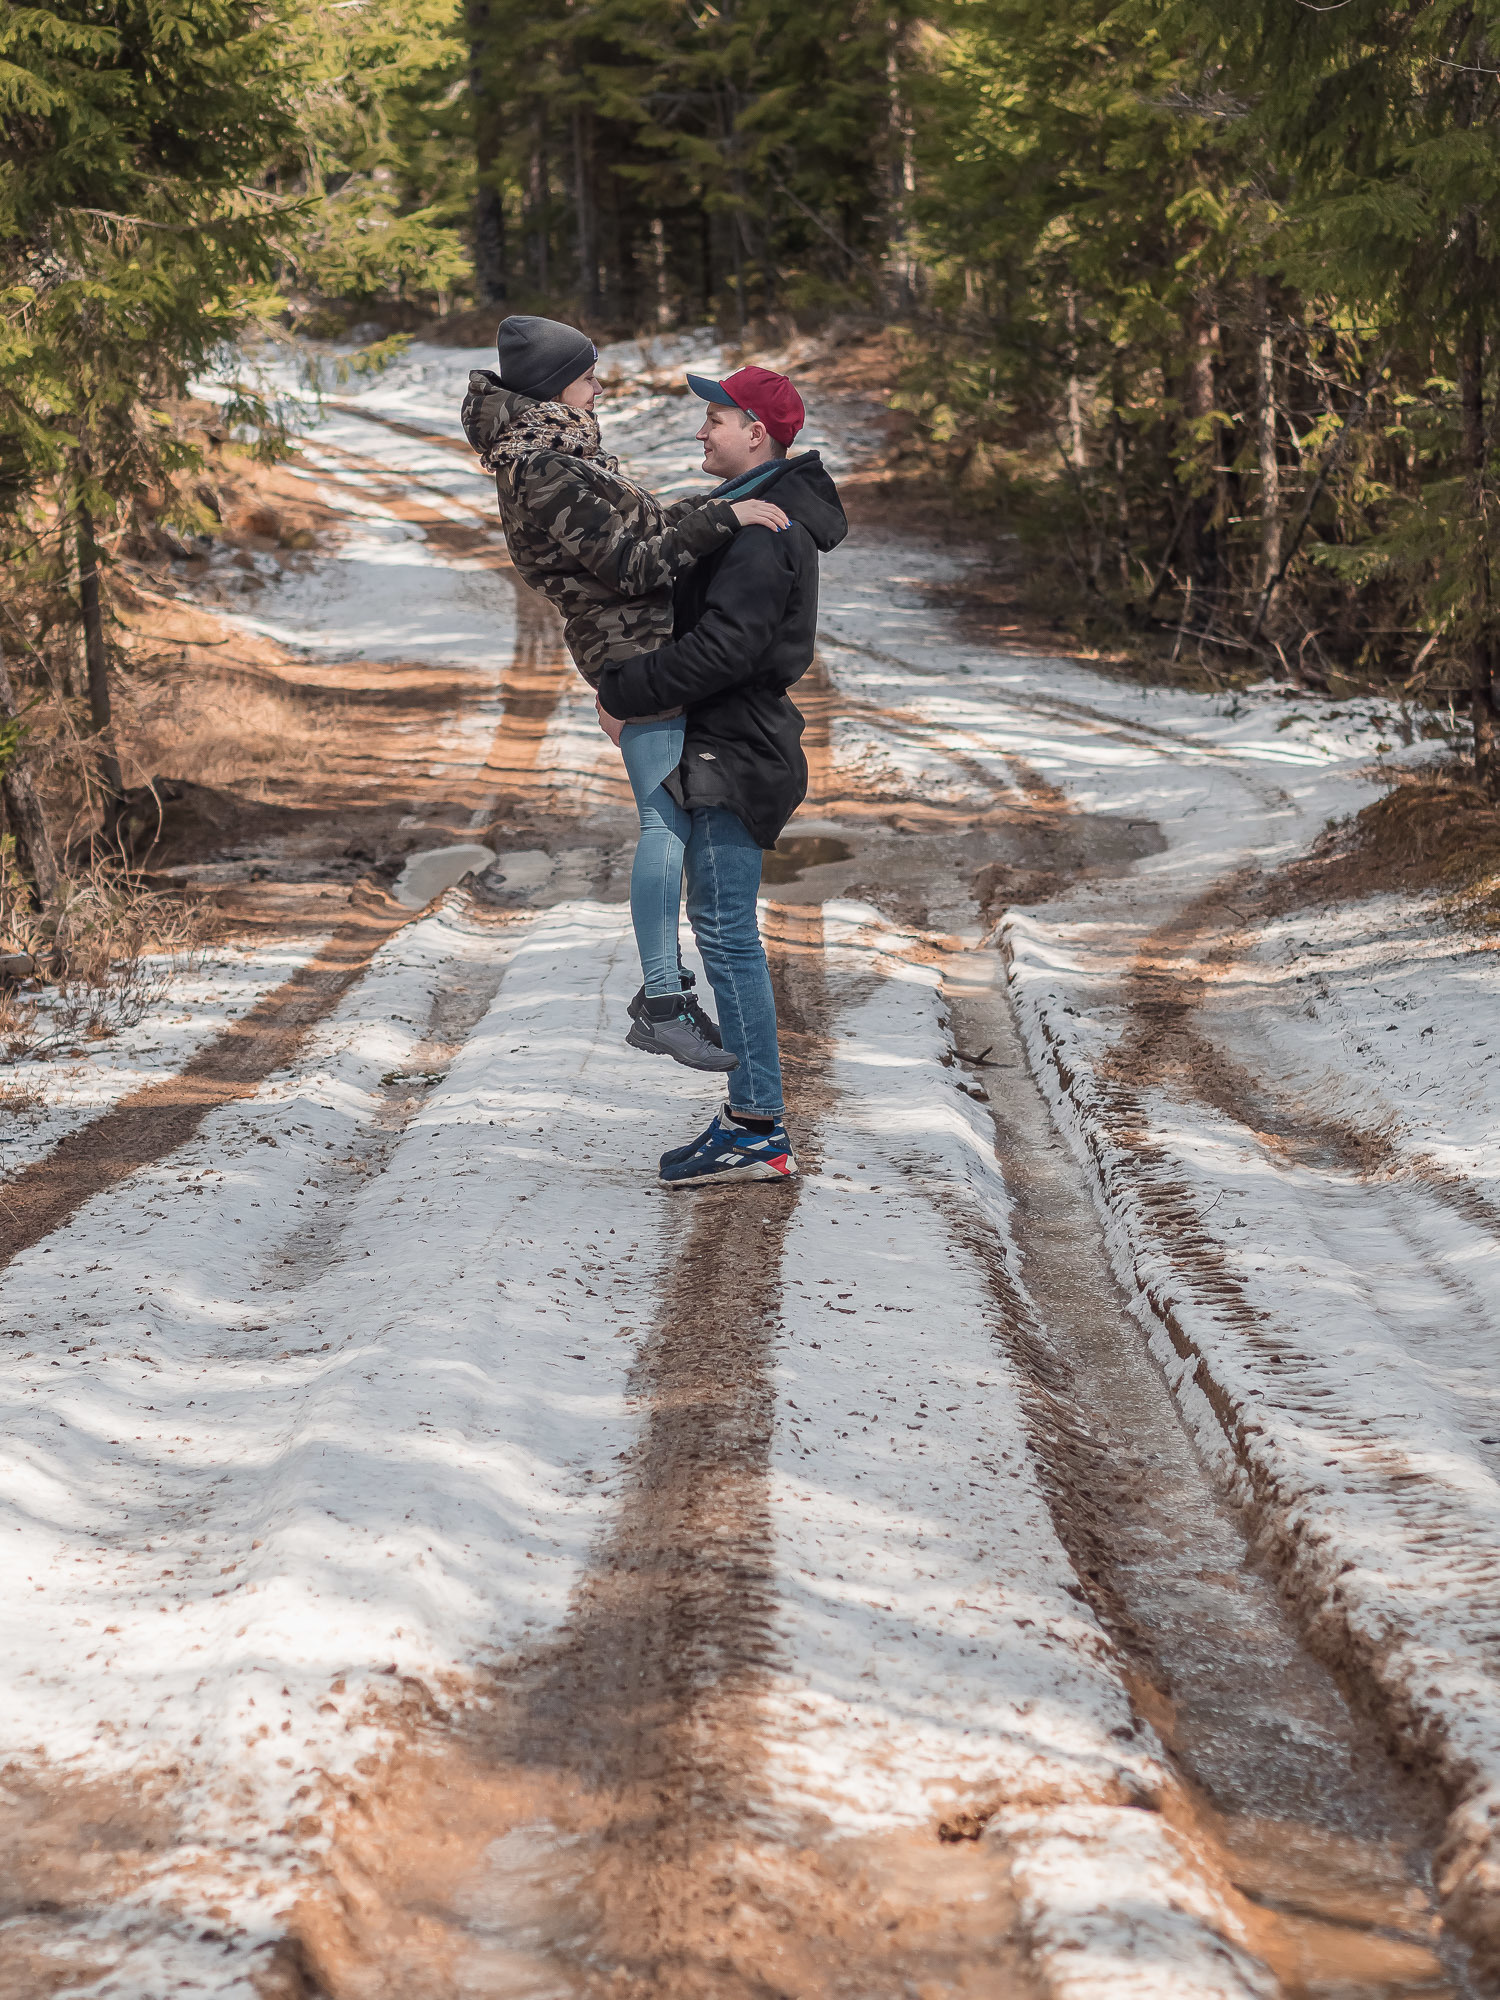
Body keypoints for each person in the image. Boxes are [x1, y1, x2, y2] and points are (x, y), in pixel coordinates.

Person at [459, 315, 789, 1074]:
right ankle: (664, 1000)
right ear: (552, 387)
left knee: (665, 817)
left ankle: (664, 995)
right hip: (632, 653)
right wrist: (722, 518)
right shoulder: (541, 467)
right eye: (587, 376)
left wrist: (734, 502)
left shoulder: (562, 453)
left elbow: (641, 526)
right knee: (662, 823)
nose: (598, 386)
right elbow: (633, 566)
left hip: (644, 647)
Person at [594, 364, 848, 1189]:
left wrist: (626, 692)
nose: (703, 432)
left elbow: (727, 650)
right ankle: (752, 1121)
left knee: (730, 935)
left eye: (717, 419)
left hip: (736, 752)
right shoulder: (746, 516)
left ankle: (757, 1128)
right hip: (728, 744)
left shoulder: (764, 531)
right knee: (722, 927)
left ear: (758, 434)